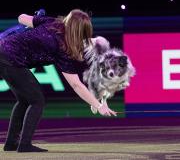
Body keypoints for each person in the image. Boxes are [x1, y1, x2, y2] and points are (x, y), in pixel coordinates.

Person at [0, 9, 117, 153]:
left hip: (4, 52)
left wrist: (37, 18)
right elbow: (76, 85)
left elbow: (21, 17)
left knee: (25, 100)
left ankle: (11, 143)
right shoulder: (64, 48)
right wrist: (98, 106)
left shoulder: (51, 22)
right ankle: (24, 145)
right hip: (11, 60)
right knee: (37, 101)